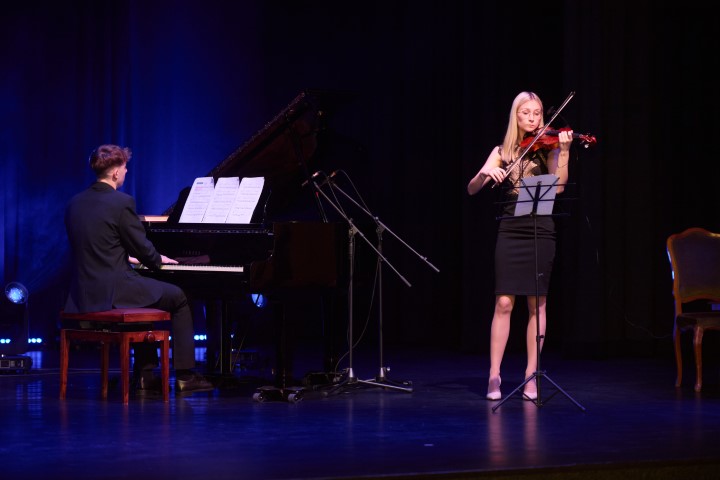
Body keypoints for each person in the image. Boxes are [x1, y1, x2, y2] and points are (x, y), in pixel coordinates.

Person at [64, 144, 214, 395]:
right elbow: (143, 247)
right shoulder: (121, 202)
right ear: (114, 173)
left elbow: (98, 246)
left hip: (82, 293)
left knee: (144, 296)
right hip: (114, 290)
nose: (125, 173)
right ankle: (186, 376)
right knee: (180, 296)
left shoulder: (75, 203)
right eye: (124, 168)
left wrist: (130, 259)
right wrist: (159, 260)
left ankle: (145, 375)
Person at [467, 91, 572, 401]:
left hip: (542, 229)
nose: (532, 118)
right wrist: (485, 172)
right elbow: (472, 189)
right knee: (503, 303)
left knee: (536, 304)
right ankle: (494, 375)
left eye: (537, 113)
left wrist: (564, 151)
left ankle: (531, 376)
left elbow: (561, 185)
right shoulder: (502, 150)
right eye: (526, 113)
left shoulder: (548, 149)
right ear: (516, 116)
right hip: (511, 230)